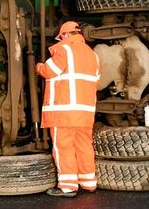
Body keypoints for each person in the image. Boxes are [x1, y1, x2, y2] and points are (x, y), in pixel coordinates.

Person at [35, 20, 101, 198]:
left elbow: (49, 71)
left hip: (64, 112)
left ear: (64, 35)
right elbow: (97, 81)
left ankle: (67, 186)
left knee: (63, 147)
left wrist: (38, 67)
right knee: (84, 146)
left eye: (60, 37)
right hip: (85, 113)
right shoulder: (92, 55)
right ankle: (88, 182)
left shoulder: (63, 50)